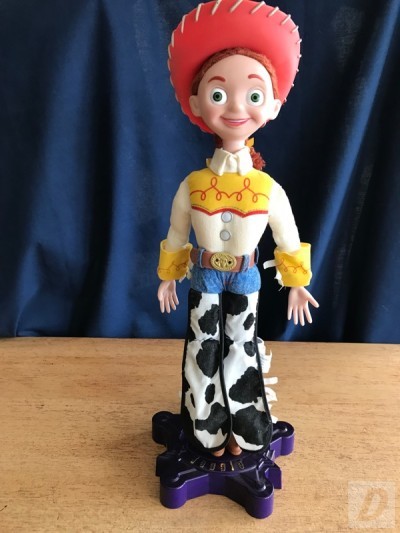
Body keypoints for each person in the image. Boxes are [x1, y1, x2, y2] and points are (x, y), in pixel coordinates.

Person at [156, 0, 319, 457]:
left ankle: (245, 428)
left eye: (253, 95)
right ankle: (205, 427)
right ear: (196, 103)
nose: (234, 107)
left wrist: (297, 282)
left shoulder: (267, 188)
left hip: (246, 276)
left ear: (274, 105)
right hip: (204, 275)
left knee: (242, 347)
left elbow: (287, 236)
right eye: (217, 94)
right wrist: (168, 275)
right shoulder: (193, 185)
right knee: (203, 346)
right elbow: (176, 233)